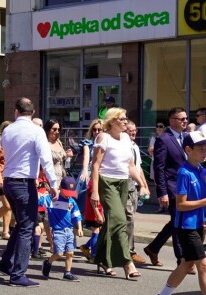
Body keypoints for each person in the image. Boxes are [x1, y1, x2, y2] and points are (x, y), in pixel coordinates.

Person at [0, 97, 58, 288]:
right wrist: (53, 183)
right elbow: (45, 158)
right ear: (33, 112)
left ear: (16, 111)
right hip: (24, 183)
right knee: (27, 227)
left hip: (9, 182)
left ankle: (6, 263)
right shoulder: (36, 131)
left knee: (23, 223)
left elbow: (6, 150)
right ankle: (18, 274)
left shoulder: (8, 130)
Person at [152, 131, 206, 295]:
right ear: (188, 149)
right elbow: (181, 204)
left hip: (198, 225)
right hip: (186, 227)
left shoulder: (204, 172)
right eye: (200, 148)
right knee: (204, 266)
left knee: (186, 264)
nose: (205, 152)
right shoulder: (184, 173)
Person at [91, 107, 148, 279]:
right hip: (107, 182)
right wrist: (95, 191)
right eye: (122, 119)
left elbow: (130, 165)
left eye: (125, 118)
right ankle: (127, 262)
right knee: (119, 219)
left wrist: (142, 184)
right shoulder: (104, 137)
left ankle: (102, 259)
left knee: (112, 222)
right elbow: (95, 165)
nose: (125, 121)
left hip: (123, 182)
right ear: (113, 121)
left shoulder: (125, 139)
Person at [144, 107, 188, 269]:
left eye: (186, 118)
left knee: (176, 221)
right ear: (172, 121)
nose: (185, 121)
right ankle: (181, 260)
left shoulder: (187, 137)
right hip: (172, 188)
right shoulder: (164, 139)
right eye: (181, 119)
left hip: (186, 187)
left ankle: (153, 248)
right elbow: (159, 167)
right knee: (178, 224)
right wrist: (162, 192)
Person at [41, 176, 83, 281]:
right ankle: (48, 262)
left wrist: (80, 227)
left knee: (70, 253)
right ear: (60, 188)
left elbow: (77, 215)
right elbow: (40, 200)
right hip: (58, 230)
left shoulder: (71, 202)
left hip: (69, 230)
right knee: (59, 253)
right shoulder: (52, 199)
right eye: (67, 193)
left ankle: (67, 273)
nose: (68, 196)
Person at [78, 119, 104, 263]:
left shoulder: (107, 143)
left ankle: (87, 247)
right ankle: (94, 254)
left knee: (101, 223)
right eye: (95, 129)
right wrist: (84, 170)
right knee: (95, 220)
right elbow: (87, 159)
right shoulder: (88, 144)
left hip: (104, 179)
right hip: (90, 179)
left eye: (100, 129)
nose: (97, 132)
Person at [125, 121, 148, 264]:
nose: (133, 133)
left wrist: (144, 185)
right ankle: (129, 252)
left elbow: (138, 168)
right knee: (128, 220)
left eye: (135, 130)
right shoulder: (123, 145)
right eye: (130, 130)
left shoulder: (135, 147)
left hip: (134, 187)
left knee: (130, 218)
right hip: (124, 185)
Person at [43, 119, 74, 184]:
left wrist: (68, 157)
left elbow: (64, 163)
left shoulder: (59, 142)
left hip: (62, 178)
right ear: (48, 130)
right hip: (50, 179)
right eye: (54, 129)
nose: (57, 132)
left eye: (59, 129)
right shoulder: (44, 144)